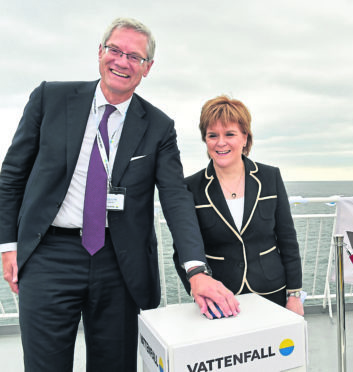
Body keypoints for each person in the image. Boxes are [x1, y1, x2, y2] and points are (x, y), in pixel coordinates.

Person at [0, 18, 238, 372]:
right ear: (100, 52)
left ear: (148, 68)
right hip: (50, 255)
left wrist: (196, 270)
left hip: (119, 263)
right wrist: (8, 247)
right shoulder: (50, 98)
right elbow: (11, 177)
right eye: (115, 50)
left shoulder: (158, 127)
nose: (122, 62)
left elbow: (175, 199)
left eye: (135, 57)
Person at [173, 95, 304, 316]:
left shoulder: (270, 177)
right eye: (212, 135)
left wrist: (294, 296)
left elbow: (288, 241)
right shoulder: (191, 187)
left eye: (229, 134)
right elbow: (182, 251)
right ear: (205, 141)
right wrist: (198, 291)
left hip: (272, 292)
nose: (220, 142)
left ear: (245, 137)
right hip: (221, 299)